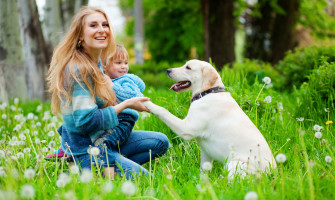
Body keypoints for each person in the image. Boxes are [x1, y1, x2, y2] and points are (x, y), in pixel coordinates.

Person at [47, 6, 169, 179]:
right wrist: (127, 104)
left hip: (104, 141)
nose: (102, 30)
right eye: (93, 25)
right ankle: (91, 166)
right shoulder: (80, 69)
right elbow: (85, 122)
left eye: (105, 25)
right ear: (80, 35)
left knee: (160, 142)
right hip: (87, 149)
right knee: (144, 179)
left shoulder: (96, 63)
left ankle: (111, 165)